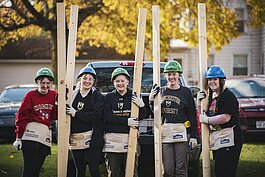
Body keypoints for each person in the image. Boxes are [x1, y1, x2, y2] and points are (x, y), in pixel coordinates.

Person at [149, 61, 198, 177]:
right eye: (169, 74)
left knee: (181, 168)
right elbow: (155, 113)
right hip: (165, 133)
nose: (171, 77)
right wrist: (151, 100)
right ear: (165, 75)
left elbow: (192, 115)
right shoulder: (161, 91)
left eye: (174, 74)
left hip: (181, 132)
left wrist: (194, 136)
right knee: (167, 169)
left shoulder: (186, 92)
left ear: (179, 75)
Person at [197, 65, 243, 177]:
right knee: (219, 170)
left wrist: (207, 120)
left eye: (215, 79)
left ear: (221, 80)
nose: (212, 82)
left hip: (230, 138)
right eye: (210, 79)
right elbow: (203, 114)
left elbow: (226, 117)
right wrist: (199, 102)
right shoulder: (213, 97)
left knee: (225, 171)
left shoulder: (228, 96)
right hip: (219, 137)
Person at [13, 67, 57, 177]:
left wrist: (58, 103)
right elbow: (22, 117)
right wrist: (18, 137)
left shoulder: (53, 95)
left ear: (51, 83)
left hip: (44, 134)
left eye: (48, 83)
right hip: (30, 135)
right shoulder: (30, 95)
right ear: (37, 82)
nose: (45, 86)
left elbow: (55, 116)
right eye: (42, 83)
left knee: (37, 169)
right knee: (29, 169)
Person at [103, 68, 146, 177]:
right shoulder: (109, 97)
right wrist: (126, 121)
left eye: (122, 81)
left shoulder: (134, 95)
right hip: (112, 141)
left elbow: (141, 116)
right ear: (113, 83)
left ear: (127, 82)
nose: (120, 83)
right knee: (114, 173)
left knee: (131, 172)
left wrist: (142, 106)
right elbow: (107, 118)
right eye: (117, 81)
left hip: (130, 138)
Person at [66, 66, 104, 177]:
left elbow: (95, 116)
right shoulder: (72, 95)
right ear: (79, 79)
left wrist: (76, 113)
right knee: (79, 170)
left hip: (92, 138)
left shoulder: (98, 97)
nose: (87, 81)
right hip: (75, 137)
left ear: (94, 82)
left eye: (90, 79)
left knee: (94, 169)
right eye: (85, 78)